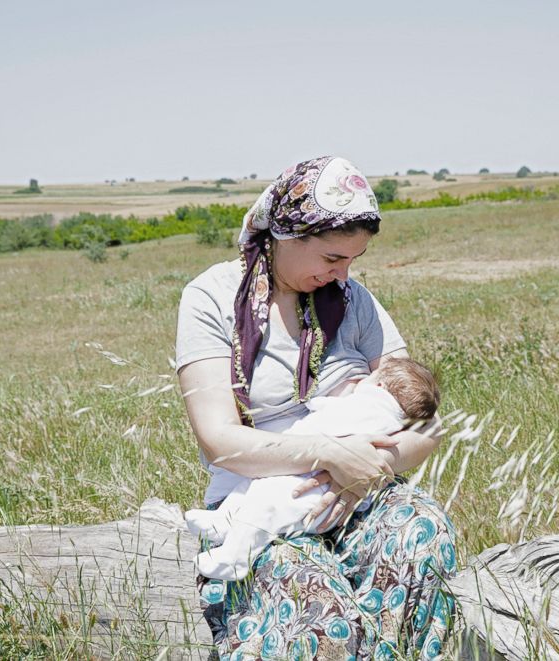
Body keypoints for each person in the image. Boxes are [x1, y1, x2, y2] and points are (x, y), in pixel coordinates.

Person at [175, 156, 457, 660]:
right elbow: (218, 441)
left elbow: (428, 424)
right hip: (258, 498)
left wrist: (368, 467)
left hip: (360, 491)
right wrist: (328, 454)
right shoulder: (210, 297)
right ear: (287, 233)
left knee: (424, 532)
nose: (342, 273)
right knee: (320, 608)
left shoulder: (355, 301)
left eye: (353, 259)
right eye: (331, 258)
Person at [186, 358, 441, 581]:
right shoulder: (390, 418)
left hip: (312, 486)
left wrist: (360, 464)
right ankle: (226, 521)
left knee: (266, 506)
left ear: (379, 386)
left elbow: (320, 407)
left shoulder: (363, 404)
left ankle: (236, 557)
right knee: (259, 493)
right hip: (296, 473)